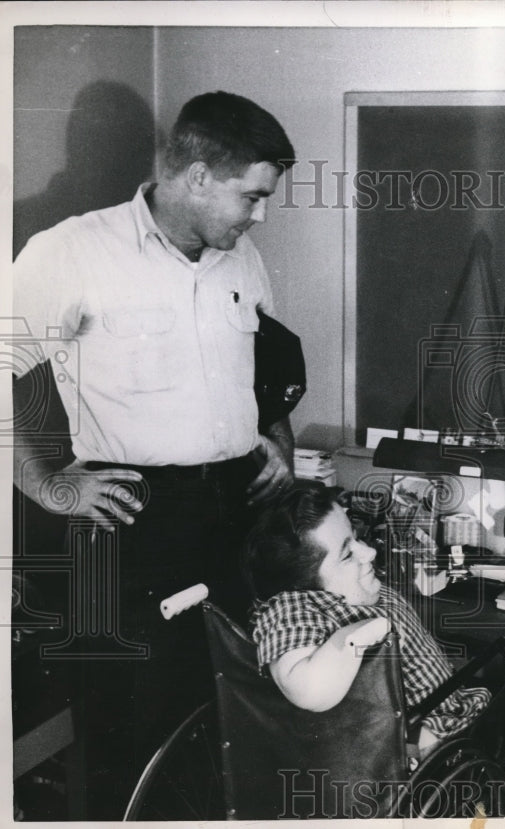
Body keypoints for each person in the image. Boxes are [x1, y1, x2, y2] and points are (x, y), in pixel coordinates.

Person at [12, 91, 298, 818]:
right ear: (197, 177)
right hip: (132, 526)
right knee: (136, 736)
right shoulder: (69, 251)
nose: (260, 215)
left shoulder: (243, 260)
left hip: (232, 517)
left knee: (233, 715)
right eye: (252, 196)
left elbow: (266, 366)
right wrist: (45, 485)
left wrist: (276, 441)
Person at [243, 487, 490, 756]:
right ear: (302, 587)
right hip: (426, 737)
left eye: (357, 537)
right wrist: (357, 635)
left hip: (450, 702)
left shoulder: (344, 588)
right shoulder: (290, 609)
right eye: (347, 555)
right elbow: (306, 690)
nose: (369, 553)